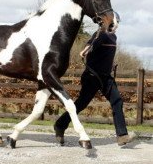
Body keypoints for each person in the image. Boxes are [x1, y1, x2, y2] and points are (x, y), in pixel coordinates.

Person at [54, 12, 133, 146]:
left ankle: (122, 135)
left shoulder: (113, 36)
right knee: (81, 104)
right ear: (112, 22)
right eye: (116, 22)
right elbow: (92, 44)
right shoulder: (101, 34)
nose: (117, 25)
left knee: (117, 101)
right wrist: (85, 51)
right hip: (93, 76)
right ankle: (60, 125)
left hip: (106, 78)